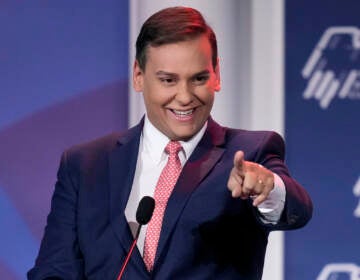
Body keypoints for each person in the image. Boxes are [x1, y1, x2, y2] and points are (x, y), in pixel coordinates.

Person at [28, 6, 313, 280]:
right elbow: (55, 269)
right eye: (168, 80)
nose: (185, 96)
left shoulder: (251, 151)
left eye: (198, 78)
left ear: (216, 74)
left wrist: (268, 187)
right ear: (138, 76)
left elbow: (296, 208)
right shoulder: (85, 164)